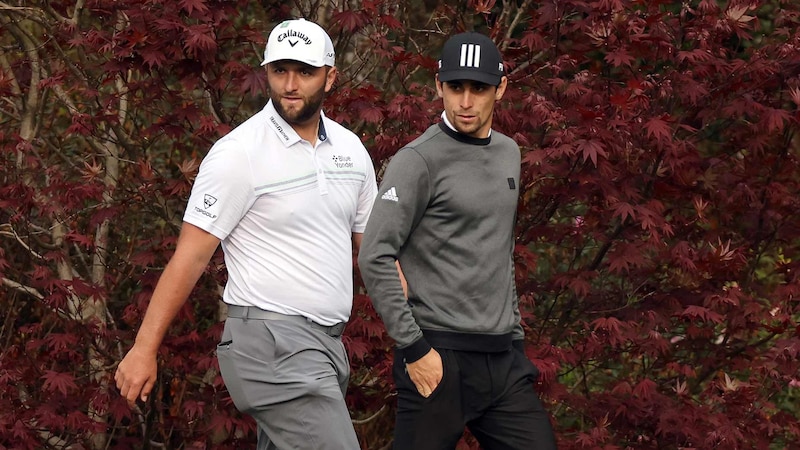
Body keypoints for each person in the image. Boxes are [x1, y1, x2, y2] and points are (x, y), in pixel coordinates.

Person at [115, 18, 377, 450]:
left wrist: (420, 334)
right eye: (279, 70)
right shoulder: (238, 154)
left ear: (331, 77)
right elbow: (191, 257)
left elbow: (375, 254)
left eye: (305, 72)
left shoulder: (351, 150)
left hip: (327, 346)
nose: (290, 84)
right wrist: (144, 348)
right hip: (270, 345)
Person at [357, 32, 557, 449]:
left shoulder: (508, 153)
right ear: (439, 87)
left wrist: (516, 338)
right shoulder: (418, 160)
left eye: (479, 88)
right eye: (456, 87)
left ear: (500, 88)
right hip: (438, 355)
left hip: (503, 362)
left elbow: (499, 247)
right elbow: (375, 254)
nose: (466, 101)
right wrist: (415, 350)